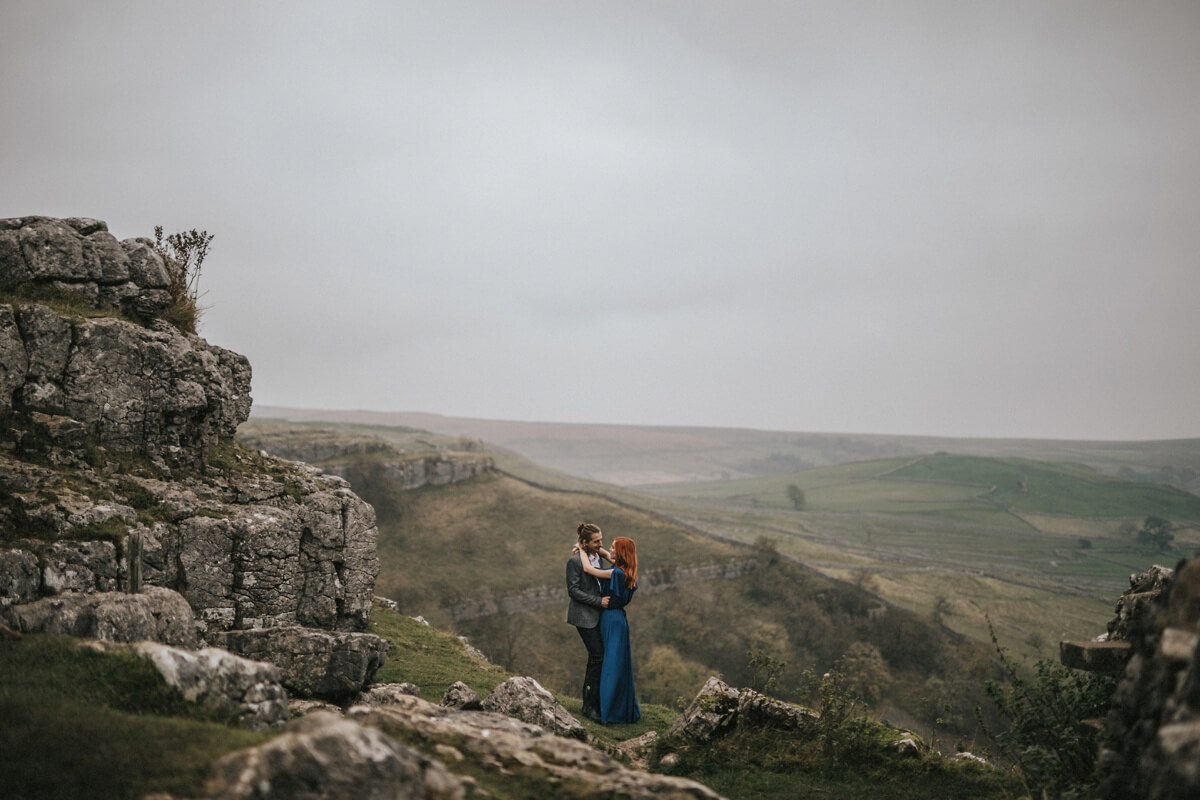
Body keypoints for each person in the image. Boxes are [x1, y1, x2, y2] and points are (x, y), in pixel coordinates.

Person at [579, 536, 641, 724]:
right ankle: (617, 706)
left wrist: (582, 550)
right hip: (619, 620)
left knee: (610, 665)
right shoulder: (627, 571)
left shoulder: (616, 574)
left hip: (610, 620)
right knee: (618, 663)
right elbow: (609, 556)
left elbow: (588, 569)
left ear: (620, 553)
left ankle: (608, 710)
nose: (610, 550)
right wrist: (598, 550)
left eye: (613, 548)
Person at [566, 522, 610, 723]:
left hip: (597, 615)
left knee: (598, 659)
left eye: (601, 539)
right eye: (596, 541)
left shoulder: (595, 555)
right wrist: (598, 601)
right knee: (597, 657)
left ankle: (595, 703)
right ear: (584, 543)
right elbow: (573, 591)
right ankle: (588, 707)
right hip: (584, 617)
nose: (601, 543)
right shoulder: (575, 561)